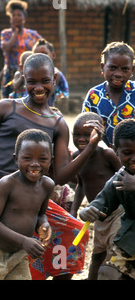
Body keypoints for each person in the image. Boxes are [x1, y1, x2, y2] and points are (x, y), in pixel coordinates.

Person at [0, 53, 104, 280]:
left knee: (72, 230)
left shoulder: (58, 123)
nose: (38, 87)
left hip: (26, 194)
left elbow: (60, 176)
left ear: (55, 79)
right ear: (23, 79)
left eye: (45, 81)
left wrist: (90, 148)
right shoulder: (6, 107)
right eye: (32, 81)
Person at [0, 129, 53, 280]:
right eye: (27, 158)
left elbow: (40, 214)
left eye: (42, 159)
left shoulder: (47, 185)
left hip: (19, 254)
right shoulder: (7, 184)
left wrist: (44, 225)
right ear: (16, 159)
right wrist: (23, 240)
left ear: (51, 160)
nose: (35, 164)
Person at [79, 118, 135, 280]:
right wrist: (88, 212)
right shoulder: (119, 178)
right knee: (106, 273)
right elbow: (102, 201)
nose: (133, 158)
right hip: (129, 237)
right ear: (115, 150)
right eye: (127, 153)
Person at [70, 112, 122, 280]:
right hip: (96, 216)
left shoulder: (107, 155)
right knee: (96, 255)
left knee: (113, 255)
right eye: (77, 134)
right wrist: (73, 210)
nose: (81, 139)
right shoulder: (77, 157)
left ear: (99, 134)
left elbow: (125, 175)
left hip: (117, 213)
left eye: (87, 134)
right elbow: (81, 185)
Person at [82, 41, 135, 148]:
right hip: (102, 155)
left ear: (132, 69)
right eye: (112, 68)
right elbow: (84, 129)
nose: (118, 74)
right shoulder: (94, 95)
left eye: (125, 69)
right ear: (102, 67)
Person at [0, 0, 42, 98]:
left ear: (24, 18)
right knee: (8, 99)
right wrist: (15, 33)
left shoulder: (32, 34)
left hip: (30, 71)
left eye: (19, 15)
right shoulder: (6, 33)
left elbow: (44, 47)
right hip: (10, 72)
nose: (16, 18)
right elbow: (6, 48)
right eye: (13, 15)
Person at [32, 39, 69, 106]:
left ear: (53, 55)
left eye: (44, 53)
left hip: (48, 110)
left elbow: (63, 96)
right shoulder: (31, 73)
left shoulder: (56, 74)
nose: (41, 57)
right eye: (36, 55)